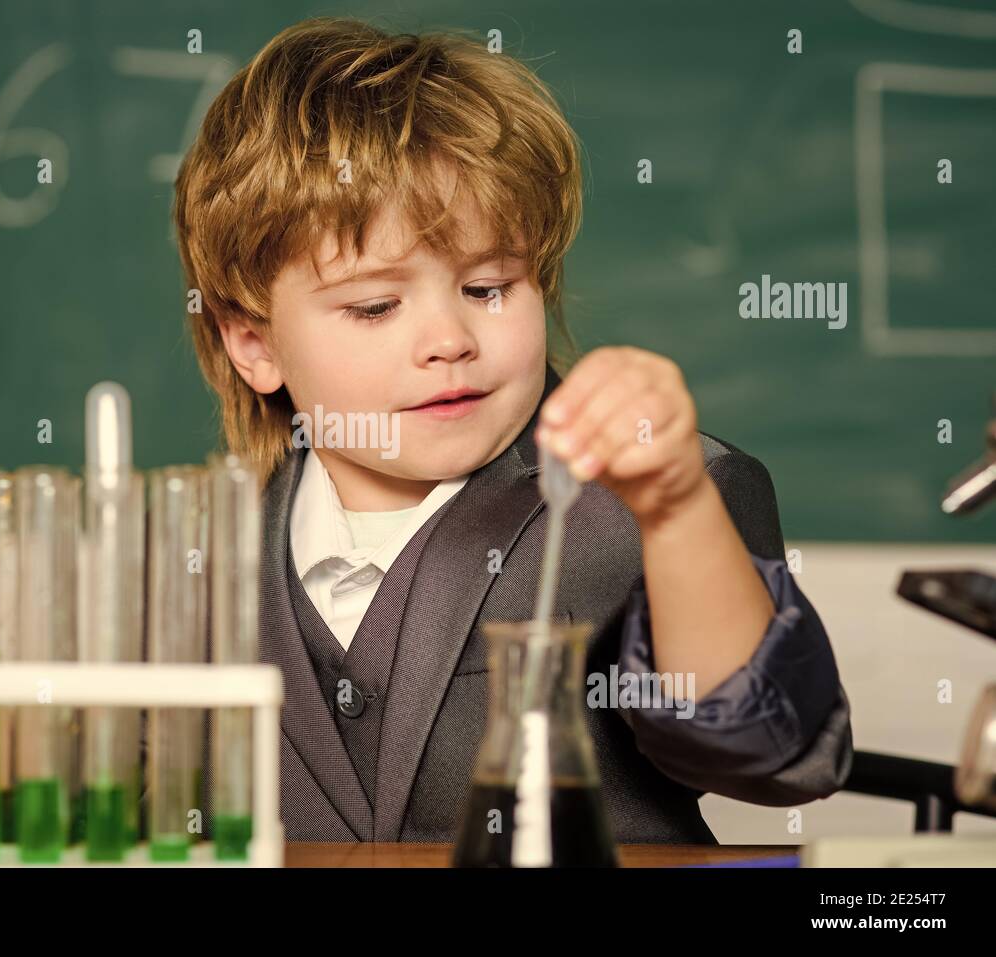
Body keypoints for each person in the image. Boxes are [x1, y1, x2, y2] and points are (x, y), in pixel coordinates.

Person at [173, 17, 852, 843]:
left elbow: (772, 755)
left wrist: (676, 515)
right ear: (254, 344)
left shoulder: (651, 504)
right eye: (376, 305)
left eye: (490, 286)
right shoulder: (197, 554)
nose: (449, 340)